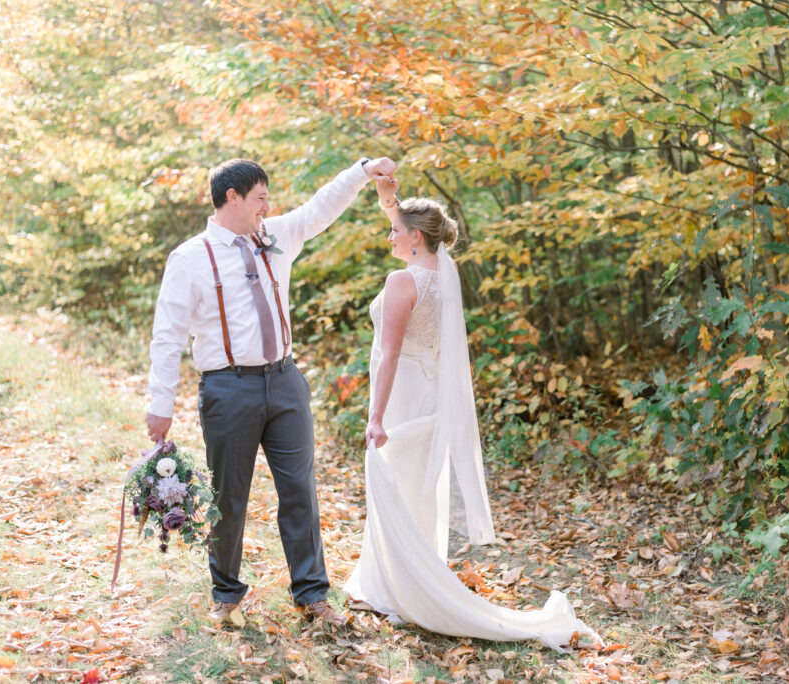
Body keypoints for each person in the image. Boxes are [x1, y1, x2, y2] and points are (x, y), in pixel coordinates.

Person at [343, 179, 599, 650]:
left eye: (394, 231)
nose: (389, 237)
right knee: (418, 484)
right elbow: (404, 226)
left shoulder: (401, 281)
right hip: (430, 393)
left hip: (403, 391)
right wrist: (388, 198)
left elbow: (389, 355)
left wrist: (375, 416)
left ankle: (401, 591)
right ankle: (397, 582)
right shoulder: (444, 273)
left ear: (415, 237)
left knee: (399, 480)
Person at [145, 156, 396, 628]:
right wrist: (160, 404)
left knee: (300, 490)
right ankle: (226, 594)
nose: (268, 205)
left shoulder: (276, 236)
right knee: (229, 497)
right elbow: (168, 335)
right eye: (260, 197)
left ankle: (311, 593)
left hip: (285, 382)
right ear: (232, 198)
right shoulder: (190, 258)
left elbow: (321, 208)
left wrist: (362, 171)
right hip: (227, 388)